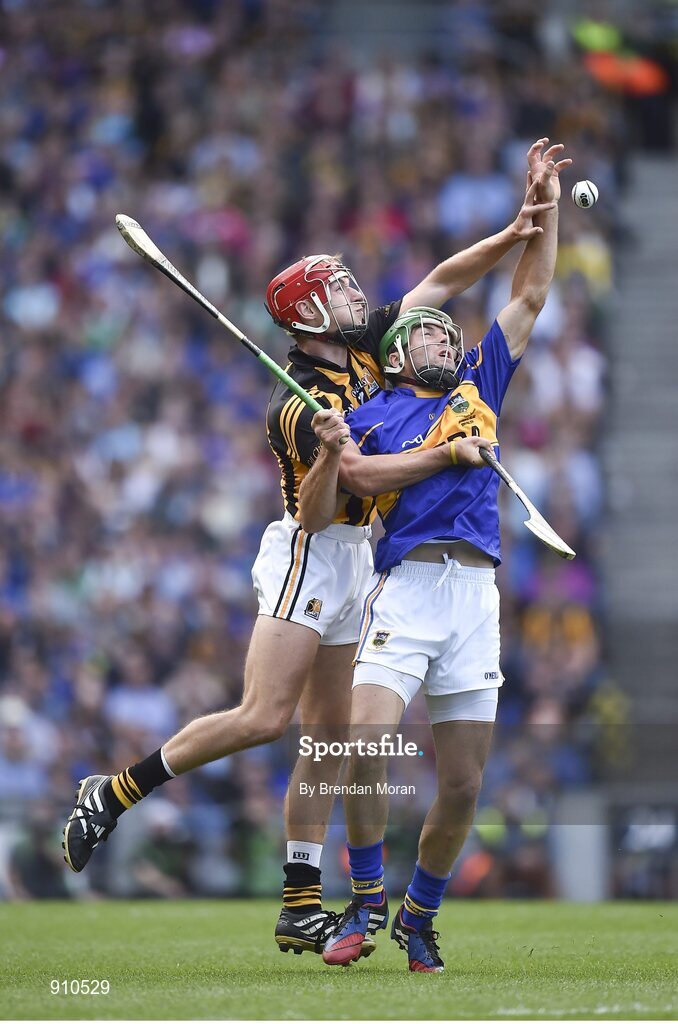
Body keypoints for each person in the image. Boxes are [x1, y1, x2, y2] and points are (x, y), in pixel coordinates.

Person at [62, 140, 555, 958]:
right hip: (313, 548)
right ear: (310, 315)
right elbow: (327, 510)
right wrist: (332, 448)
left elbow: (438, 285)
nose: (363, 296)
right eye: (343, 290)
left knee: (327, 740)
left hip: (369, 558)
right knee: (264, 718)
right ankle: (113, 790)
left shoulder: (368, 350)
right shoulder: (294, 408)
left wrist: (511, 234)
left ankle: (300, 900)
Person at [297, 141, 570, 971]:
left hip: (474, 600)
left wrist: (544, 208)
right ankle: (368, 898)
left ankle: (421, 913)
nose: (446, 342)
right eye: (429, 336)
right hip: (406, 590)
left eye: (452, 337)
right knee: (365, 745)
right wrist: (443, 456)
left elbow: (530, 292)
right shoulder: (373, 411)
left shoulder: (478, 389)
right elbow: (356, 476)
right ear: (398, 352)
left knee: (461, 785)